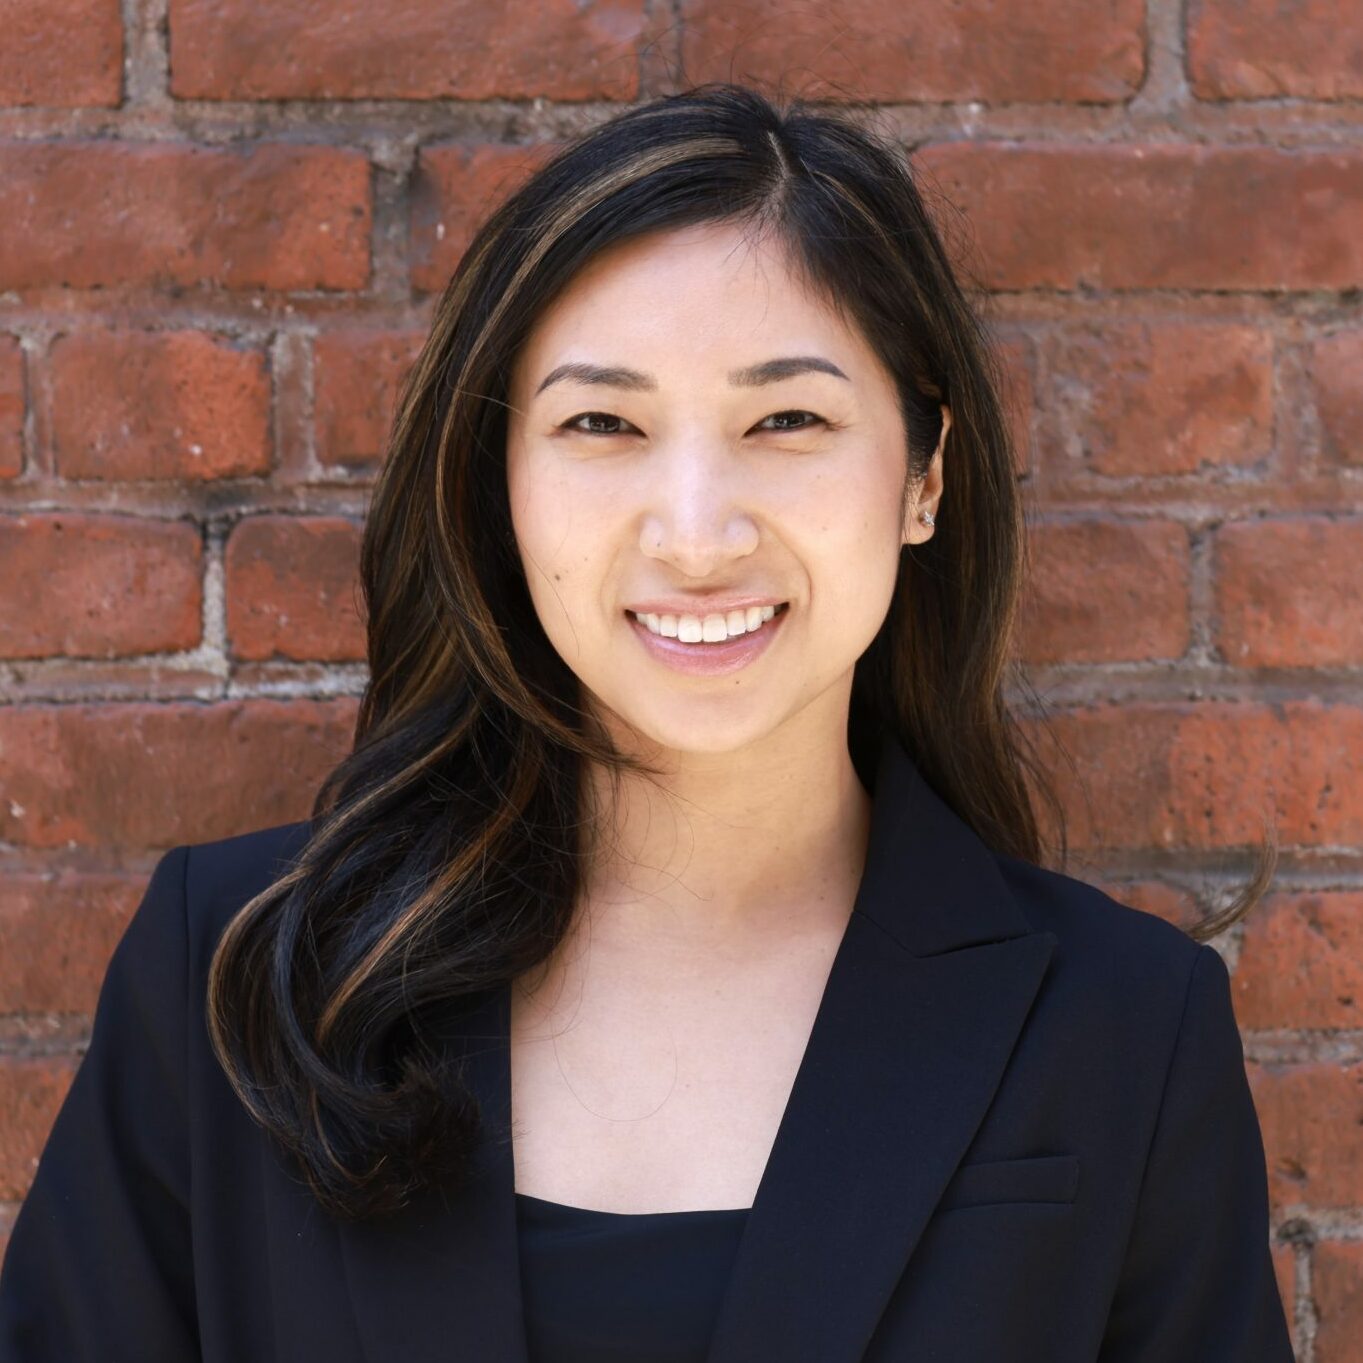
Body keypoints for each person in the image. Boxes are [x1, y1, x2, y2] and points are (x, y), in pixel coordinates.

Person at [0, 83, 1294, 1362]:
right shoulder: (236, 979)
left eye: (786, 419)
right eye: (602, 423)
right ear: (499, 481)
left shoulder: (1123, 1030)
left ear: (924, 475)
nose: (695, 534)